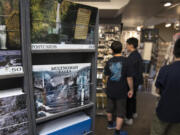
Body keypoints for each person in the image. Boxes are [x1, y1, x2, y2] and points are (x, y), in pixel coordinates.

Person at [150, 38, 180, 135]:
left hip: (164, 110)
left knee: (156, 132)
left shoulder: (165, 70)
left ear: (174, 51)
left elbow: (158, 91)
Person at [104, 41, 134, 135]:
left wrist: (106, 86)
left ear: (112, 50)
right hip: (121, 89)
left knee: (109, 108)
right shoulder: (126, 61)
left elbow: (106, 77)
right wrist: (131, 89)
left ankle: (110, 124)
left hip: (110, 88)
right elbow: (129, 78)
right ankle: (117, 132)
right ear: (122, 49)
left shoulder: (109, 61)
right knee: (120, 111)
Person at [125, 37, 143, 125]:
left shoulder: (131, 57)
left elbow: (130, 74)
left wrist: (130, 86)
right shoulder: (138, 55)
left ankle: (129, 118)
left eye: (127, 45)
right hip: (137, 80)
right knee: (134, 98)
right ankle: (134, 113)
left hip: (132, 81)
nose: (126, 46)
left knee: (129, 99)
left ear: (131, 45)